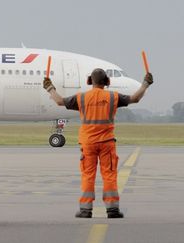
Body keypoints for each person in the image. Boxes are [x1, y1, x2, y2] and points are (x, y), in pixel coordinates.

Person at [43, 68, 153, 218]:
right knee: (109, 175)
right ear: (107, 81)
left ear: (89, 81)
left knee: (88, 175)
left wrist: (50, 88)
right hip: (107, 143)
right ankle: (112, 209)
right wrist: (145, 84)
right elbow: (135, 99)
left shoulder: (82, 98)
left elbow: (59, 101)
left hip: (88, 144)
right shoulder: (113, 97)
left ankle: (85, 210)